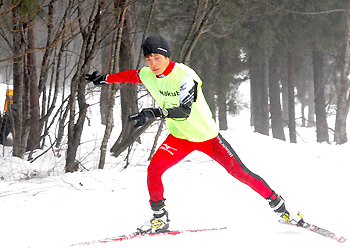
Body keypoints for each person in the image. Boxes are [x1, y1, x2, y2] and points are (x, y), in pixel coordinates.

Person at [85, 35, 303, 233]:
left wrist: (154, 112)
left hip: (207, 137)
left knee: (240, 173)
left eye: (156, 58)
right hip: (180, 137)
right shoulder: (147, 74)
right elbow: (131, 75)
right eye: (148, 58)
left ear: (167, 56)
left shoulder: (185, 76)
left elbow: (184, 110)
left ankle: (282, 207)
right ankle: (160, 218)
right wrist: (104, 78)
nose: (151, 64)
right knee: (154, 169)